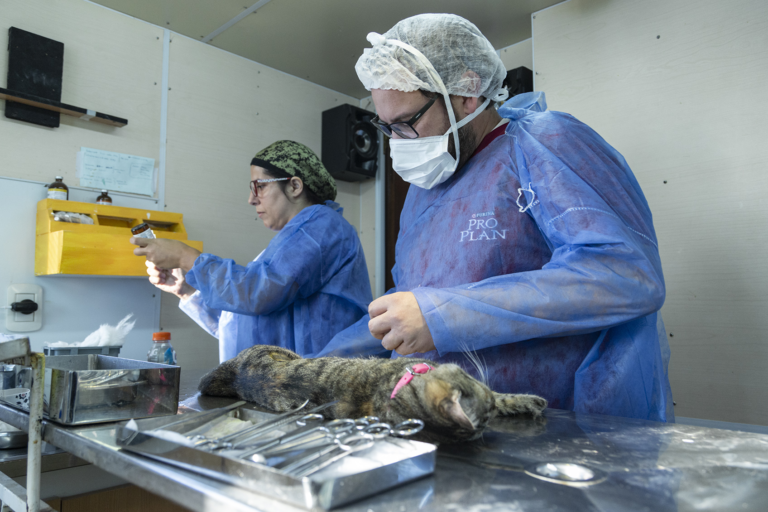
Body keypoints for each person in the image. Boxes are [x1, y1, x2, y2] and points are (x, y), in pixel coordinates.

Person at [318, 14, 674, 422]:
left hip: (561, 428)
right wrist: (310, 366)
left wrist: (441, 315)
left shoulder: (543, 144)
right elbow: (404, 314)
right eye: (387, 128)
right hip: (456, 424)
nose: (397, 143)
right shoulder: (423, 196)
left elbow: (624, 276)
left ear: (468, 93)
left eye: (408, 123)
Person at [131, 140, 372, 362]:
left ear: (295, 186)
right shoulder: (293, 242)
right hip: (291, 387)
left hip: (319, 389)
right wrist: (185, 290)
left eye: (259, 187)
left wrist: (185, 256)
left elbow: (258, 292)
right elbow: (242, 322)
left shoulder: (321, 224)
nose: (251, 199)